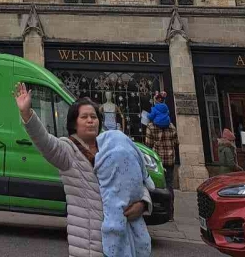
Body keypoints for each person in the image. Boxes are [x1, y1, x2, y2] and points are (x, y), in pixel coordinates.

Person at [14, 84, 150, 257]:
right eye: (84, 117)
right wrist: (27, 114)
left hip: (122, 243)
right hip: (88, 247)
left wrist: (143, 203)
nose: (90, 120)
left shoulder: (113, 148)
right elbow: (45, 142)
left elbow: (136, 180)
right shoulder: (68, 150)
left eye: (93, 116)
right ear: (74, 123)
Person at [145, 113, 179, 216]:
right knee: (169, 185)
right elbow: (176, 143)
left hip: (157, 160)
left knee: (156, 185)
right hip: (170, 160)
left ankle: (158, 210)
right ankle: (170, 213)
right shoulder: (171, 126)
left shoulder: (151, 126)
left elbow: (148, 145)